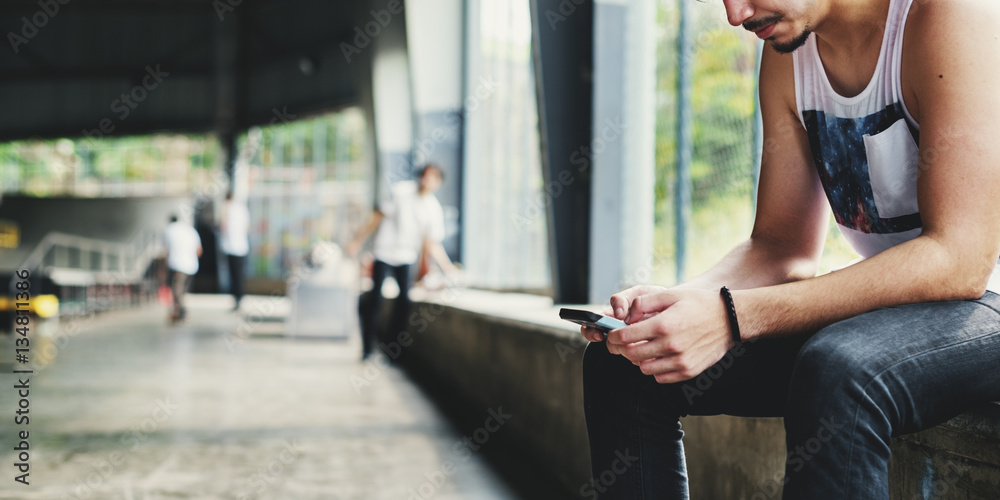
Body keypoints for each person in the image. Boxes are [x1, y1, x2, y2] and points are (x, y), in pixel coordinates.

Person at [581, 0, 1000, 498]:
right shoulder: (789, 43)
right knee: (628, 363)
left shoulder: (950, 17)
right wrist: (683, 305)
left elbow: (960, 262)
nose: (736, 15)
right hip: (896, 311)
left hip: (983, 305)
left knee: (839, 370)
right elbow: (780, 246)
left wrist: (734, 315)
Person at [347, 164, 459, 361]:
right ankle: (367, 349)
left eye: (433, 178)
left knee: (404, 302)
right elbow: (376, 218)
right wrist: (357, 241)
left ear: (438, 182)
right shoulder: (401, 191)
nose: (427, 181)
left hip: (406, 257)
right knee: (375, 299)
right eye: (425, 176)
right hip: (383, 252)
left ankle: (393, 352)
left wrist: (448, 268)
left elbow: (431, 243)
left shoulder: (433, 209)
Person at [163, 214, 203, 323]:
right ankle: (179, 310)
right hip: (192, 265)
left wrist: (163, 269)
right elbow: (199, 250)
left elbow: (166, 250)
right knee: (182, 290)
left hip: (177, 264)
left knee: (176, 289)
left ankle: (181, 311)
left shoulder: (169, 229)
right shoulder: (190, 230)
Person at [220, 191, 250, 311]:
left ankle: (237, 298)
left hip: (231, 247)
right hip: (242, 247)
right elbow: (247, 227)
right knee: (240, 274)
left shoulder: (227, 208)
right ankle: (240, 296)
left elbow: (223, 226)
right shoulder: (242, 209)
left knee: (234, 275)